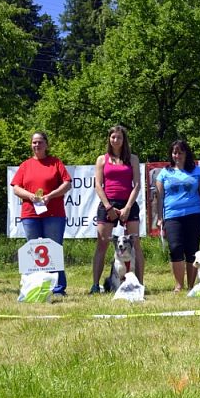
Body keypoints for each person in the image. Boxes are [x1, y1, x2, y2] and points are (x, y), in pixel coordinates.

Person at [11, 131, 72, 295]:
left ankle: (58, 288)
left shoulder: (55, 163)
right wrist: (30, 196)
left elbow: (67, 184)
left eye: (40, 142)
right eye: (34, 142)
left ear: (46, 144)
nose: (37, 145)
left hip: (54, 214)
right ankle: (34, 286)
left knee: (54, 250)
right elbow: (16, 187)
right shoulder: (25, 165)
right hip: (30, 214)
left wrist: (50, 196)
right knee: (33, 251)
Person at [91, 125, 145, 293]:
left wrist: (128, 207)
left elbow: (136, 185)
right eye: (113, 137)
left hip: (128, 203)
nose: (116, 140)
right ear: (109, 139)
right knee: (102, 244)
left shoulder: (133, 159)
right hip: (108, 204)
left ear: (124, 140)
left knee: (135, 243)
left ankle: (139, 284)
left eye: (119, 137)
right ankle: (95, 285)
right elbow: (98, 185)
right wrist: (108, 207)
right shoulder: (102, 159)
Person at [155, 140, 200, 292]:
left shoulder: (197, 171)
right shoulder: (164, 173)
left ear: (186, 154)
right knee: (175, 248)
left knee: (192, 250)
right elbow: (159, 198)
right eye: (174, 153)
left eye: (180, 152)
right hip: (172, 216)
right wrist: (160, 217)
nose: (177, 155)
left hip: (194, 214)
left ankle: (191, 285)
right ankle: (179, 284)